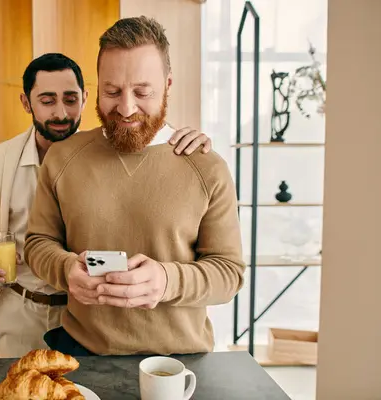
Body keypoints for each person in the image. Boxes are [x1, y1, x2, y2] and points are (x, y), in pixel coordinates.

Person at [0, 52, 214, 358]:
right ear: (26, 103)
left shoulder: (103, 153)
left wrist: (175, 136)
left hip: (84, 316)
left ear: (85, 98)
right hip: (21, 310)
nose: (61, 113)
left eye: (70, 99)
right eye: (47, 100)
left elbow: (145, 150)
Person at [24, 17, 245, 356]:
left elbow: (229, 273)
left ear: (168, 85)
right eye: (111, 92)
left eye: (143, 92)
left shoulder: (207, 167)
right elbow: (38, 243)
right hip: (81, 355)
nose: (126, 108)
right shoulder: (63, 157)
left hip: (180, 363)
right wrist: (67, 269)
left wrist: (168, 281)